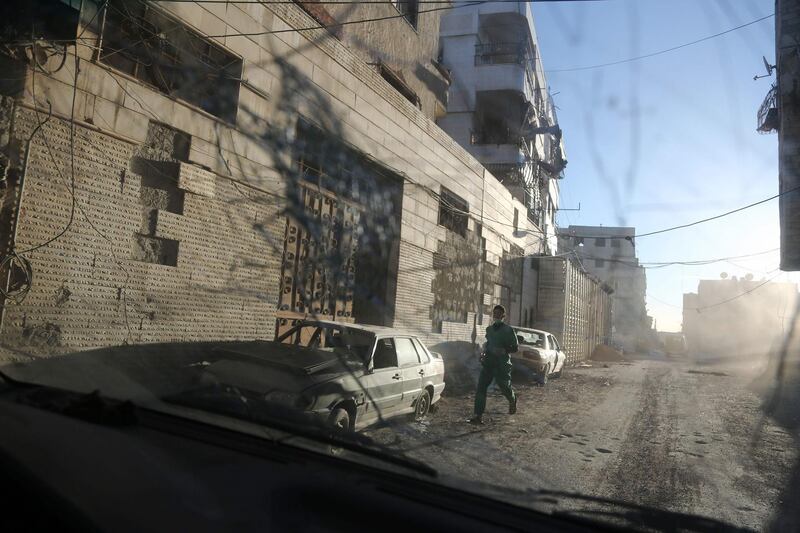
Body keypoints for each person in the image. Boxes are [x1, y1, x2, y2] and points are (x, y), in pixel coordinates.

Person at [468, 305, 518, 425]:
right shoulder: (489, 330)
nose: (496, 315)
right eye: (494, 313)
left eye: (498, 313)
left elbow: (515, 348)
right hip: (489, 363)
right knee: (481, 388)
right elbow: (488, 343)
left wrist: (504, 350)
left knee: (505, 387)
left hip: (502, 365)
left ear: (503, 316)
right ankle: (478, 416)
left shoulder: (508, 330)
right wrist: (483, 352)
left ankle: (512, 400)